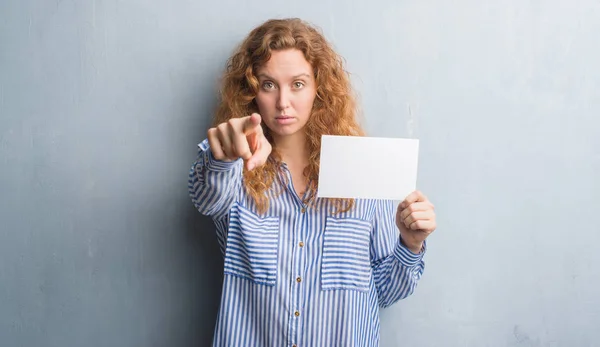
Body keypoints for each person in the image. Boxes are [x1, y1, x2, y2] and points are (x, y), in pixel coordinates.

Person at [188, 17, 437, 347]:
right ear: (251, 92)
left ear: (319, 87)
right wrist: (224, 156)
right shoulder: (235, 170)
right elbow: (207, 199)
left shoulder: (362, 170)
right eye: (268, 84)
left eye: (298, 84)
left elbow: (384, 291)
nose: (283, 103)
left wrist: (410, 243)